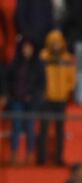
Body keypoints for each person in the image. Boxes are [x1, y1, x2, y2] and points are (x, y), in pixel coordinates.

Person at [37, 29, 76, 166]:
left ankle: (59, 158)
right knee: (44, 129)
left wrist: (67, 91)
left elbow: (71, 78)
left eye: (58, 43)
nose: (56, 46)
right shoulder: (43, 57)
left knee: (60, 130)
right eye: (53, 43)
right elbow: (39, 77)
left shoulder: (67, 59)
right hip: (47, 99)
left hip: (61, 99)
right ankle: (41, 158)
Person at [6, 37, 44, 165]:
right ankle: (14, 155)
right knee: (16, 127)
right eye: (25, 47)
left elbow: (41, 84)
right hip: (16, 100)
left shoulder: (38, 65)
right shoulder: (15, 63)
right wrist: (10, 96)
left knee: (30, 128)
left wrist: (33, 97)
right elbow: (9, 81)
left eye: (29, 48)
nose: (27, 50)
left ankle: (29, 155)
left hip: (31, 102)